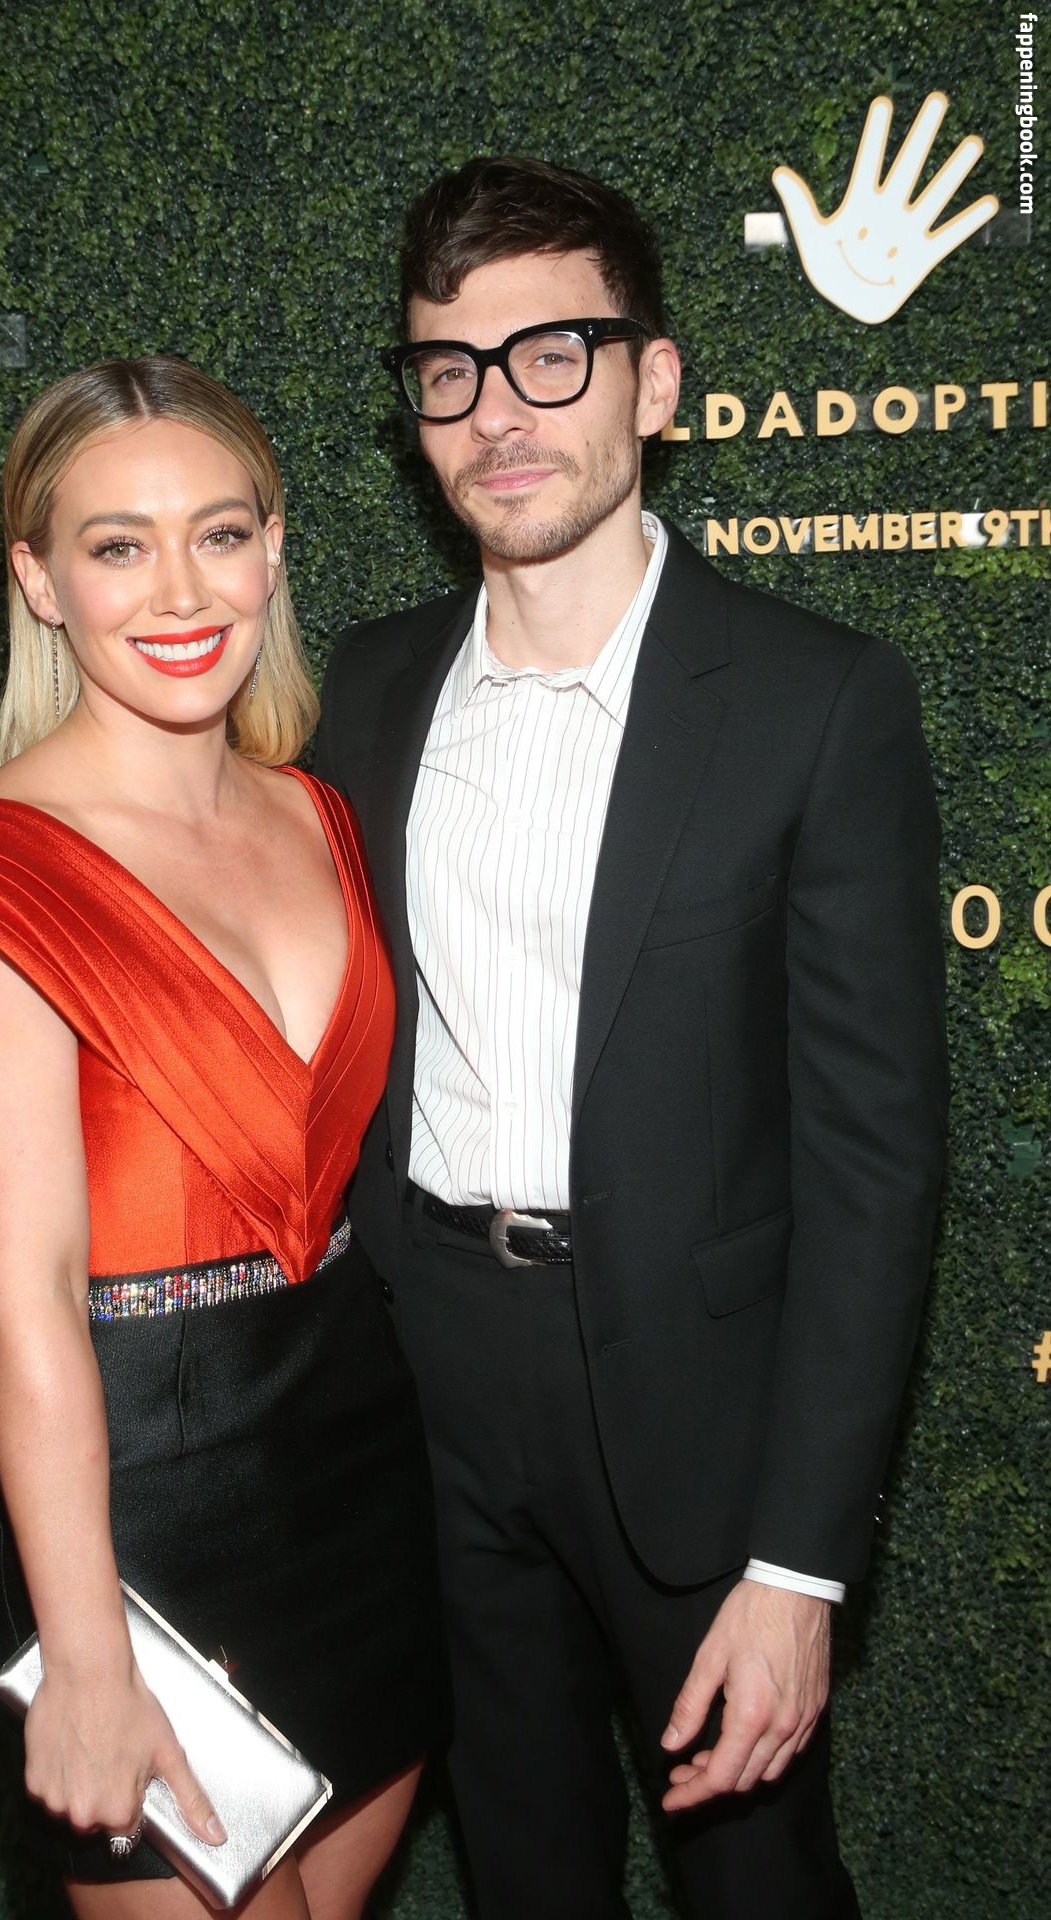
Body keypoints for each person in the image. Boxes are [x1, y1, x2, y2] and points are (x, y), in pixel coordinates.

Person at [313, 157, 947, 1919]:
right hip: (432, 1384)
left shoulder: (817, 700)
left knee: (756, 1885)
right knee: (520, 1872)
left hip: (704, 1407)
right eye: (450, 369)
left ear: (655, 383)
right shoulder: (364, 690)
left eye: (552, 356)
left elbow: (877, 1168)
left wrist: (801, 1566)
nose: (497, 414)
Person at [0, 354, 447, 1920]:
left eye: (219, 533)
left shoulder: (316, 816)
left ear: (273, 549)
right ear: (41, 581)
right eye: (118, 545)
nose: (181, 590)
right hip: (138, 1511)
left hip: (361, 1470)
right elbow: (29, 1303)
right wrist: (88, 1656)